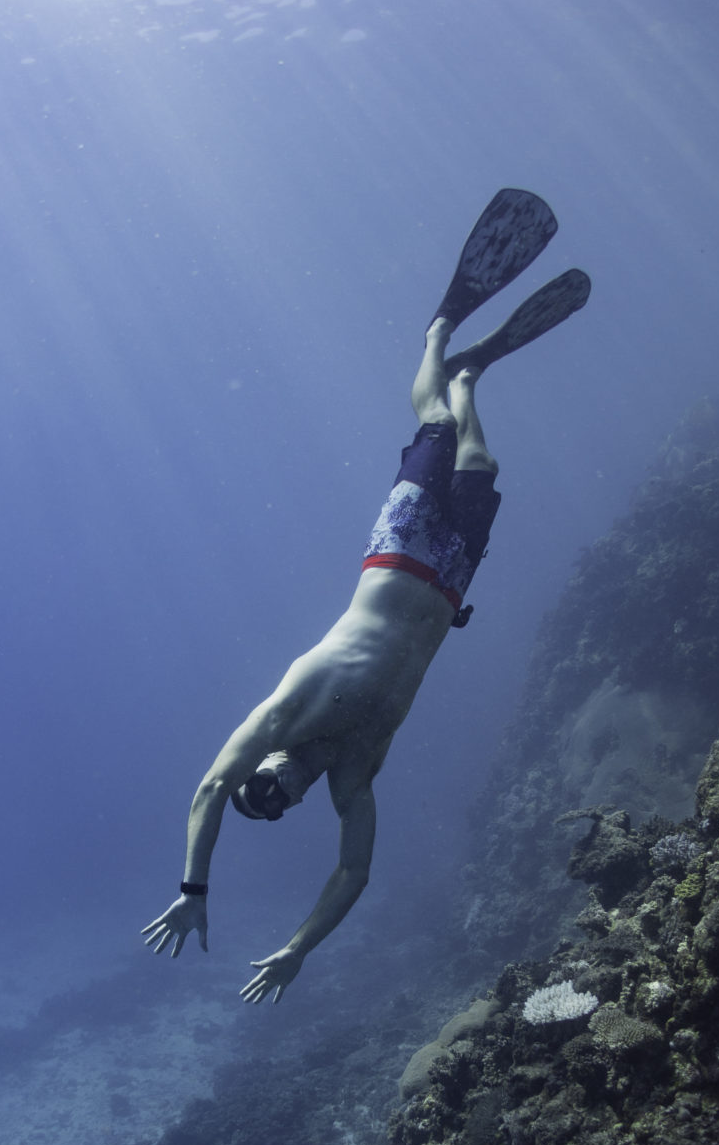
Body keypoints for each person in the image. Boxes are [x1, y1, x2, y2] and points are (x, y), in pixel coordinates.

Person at [142, 193, 589, 1003]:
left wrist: (194, 888)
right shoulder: (352, 774)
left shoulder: (286, 716)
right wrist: (298, 950)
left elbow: (209, 789)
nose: (272, 793)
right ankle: (472, 374)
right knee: (482, 467)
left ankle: (438, 335)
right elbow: (354, 870)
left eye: (262, 788)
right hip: (451, 574)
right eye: (274, 809)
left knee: (435, 430)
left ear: (263, 765)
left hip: (403, 550)